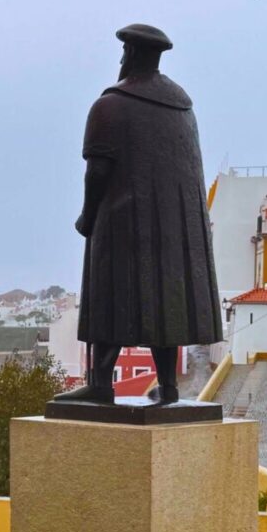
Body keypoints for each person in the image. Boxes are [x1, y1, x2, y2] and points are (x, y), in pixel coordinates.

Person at [56, 24, 223, 405]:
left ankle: (100, 383)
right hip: (174, 229)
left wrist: (87, 216)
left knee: (110, 299)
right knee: (165, 301)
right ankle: (167, 386)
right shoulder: (183, 111)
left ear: (130, 55)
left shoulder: (109, 105)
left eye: (123, 53)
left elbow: (97, 170)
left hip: (121, 222)